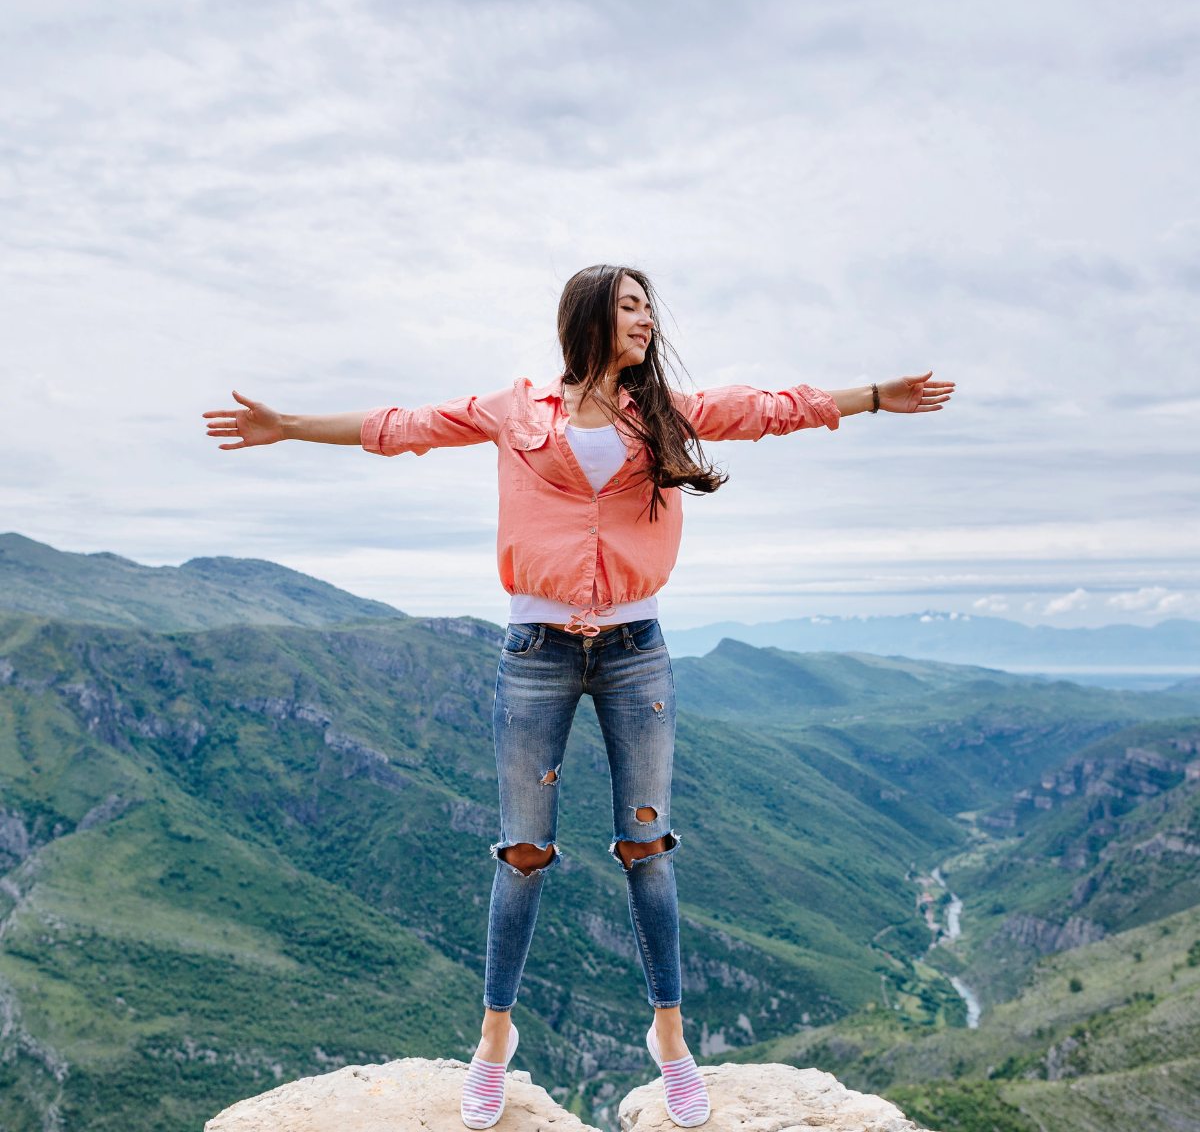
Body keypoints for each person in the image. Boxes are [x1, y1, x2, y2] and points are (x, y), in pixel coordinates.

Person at [203, 264, 954, 1129]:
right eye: (630, 306)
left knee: (649, 847)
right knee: (522, 851)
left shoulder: (663, 411)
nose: (645, 320)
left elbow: (767, 408)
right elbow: (398, 426)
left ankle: (672, 1044)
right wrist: (286, 425)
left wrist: (867, 396)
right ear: (591, 316)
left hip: (637, 651)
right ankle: (492, 1044)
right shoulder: (514, 409)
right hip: (537, 651)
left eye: (648, 307)